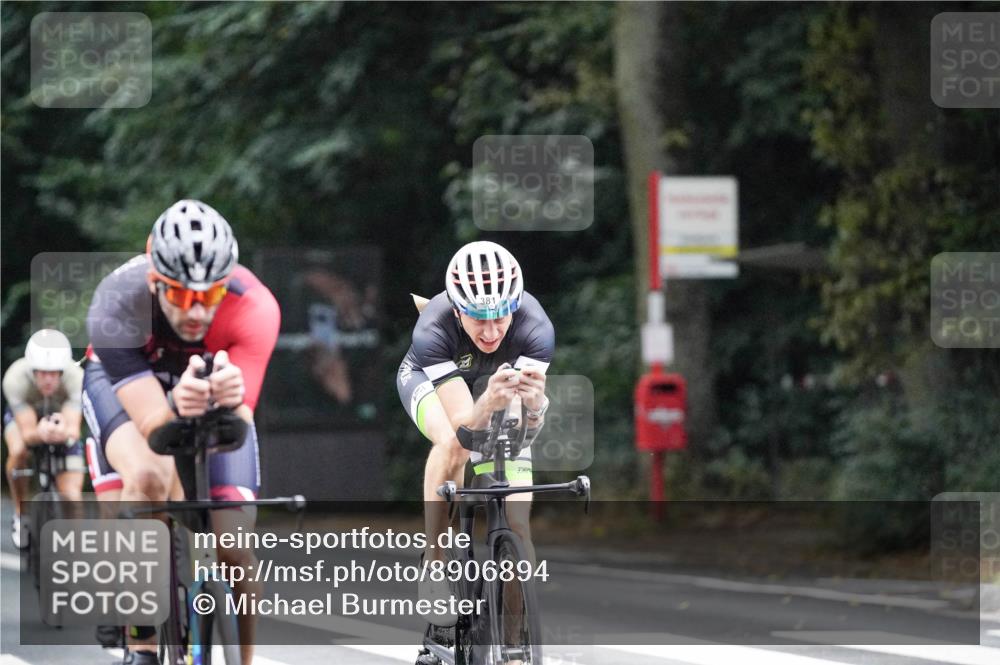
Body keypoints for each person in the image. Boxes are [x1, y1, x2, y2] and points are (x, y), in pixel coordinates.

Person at [82, 200, 280, 665]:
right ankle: (143, 644)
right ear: (155, 281)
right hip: (127, 380)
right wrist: (173, 407)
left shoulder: (255, 307)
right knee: (148, 480)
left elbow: (235, 427)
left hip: (204, 385)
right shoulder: (116, 303)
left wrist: (231, 398)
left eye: (209, 296)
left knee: (233, 544)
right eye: (180, 294)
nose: (195, 311)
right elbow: (155, 428)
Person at [397, 241, 553, 627]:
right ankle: (435, 564)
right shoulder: (432, 329)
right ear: (456, 310)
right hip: (430, 379)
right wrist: (487, 405)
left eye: (500, 316)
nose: (491, 331)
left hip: (494, 385)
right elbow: (464, 429)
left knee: (518, 523)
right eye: (478, 318)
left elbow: (522, 434)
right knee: (453, 446)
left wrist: (535, 409)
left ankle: (514, 643)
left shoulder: (536, 329)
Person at [2, 329, 86, 548]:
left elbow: (73, 430)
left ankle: (74, 547)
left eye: (54, 373)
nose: (48, 379)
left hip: (61, 420)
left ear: (63, 371)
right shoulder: (15, 378)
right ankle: (21, 513)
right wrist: (39, 433)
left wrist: (63, 432)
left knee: (71, 495)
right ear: (32, 371)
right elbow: (28, 433)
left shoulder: (77, 378)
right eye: (42, 373)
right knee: (18, 450)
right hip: (26, 419)